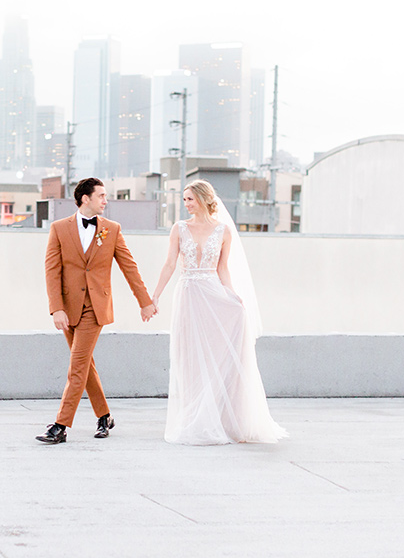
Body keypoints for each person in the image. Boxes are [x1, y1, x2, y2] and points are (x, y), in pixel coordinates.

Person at [151, 180, 287, 445]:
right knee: (189, 356)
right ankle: (194, 417)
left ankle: (222, 418)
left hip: (214, 294)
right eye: (185, 199)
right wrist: (155, 295)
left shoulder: (223, 231)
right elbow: (169, 264)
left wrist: (233, 295)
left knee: (218, 354)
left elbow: (223, 268)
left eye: (190, 198)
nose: (186, 203)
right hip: (188, 294)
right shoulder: (179, 228)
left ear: (202, 199)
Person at [38, 177, 158, 444]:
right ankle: (104, 416)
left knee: (77, 366)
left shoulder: (112, 229)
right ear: (85, 199)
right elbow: (51, 272)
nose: (106, 200)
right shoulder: (59, 228)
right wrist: (56, 308)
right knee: (86, 365)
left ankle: (60, 425)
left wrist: (145, 301)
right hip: (68, 310)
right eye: (102, 196)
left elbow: (129, 267)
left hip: (96, 308)